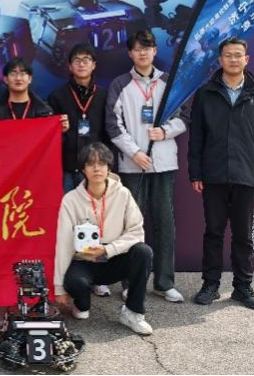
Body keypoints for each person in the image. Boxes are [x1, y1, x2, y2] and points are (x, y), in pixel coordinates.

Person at [189, 37, 254, 311]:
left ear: (246, 59)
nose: (233, 60)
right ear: (220, 60)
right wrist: (196, 172)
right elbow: (196, 138)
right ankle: (210, 284)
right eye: (228, 55)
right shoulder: (206, 94)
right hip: (213, 174)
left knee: (243, 235)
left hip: (247, 174)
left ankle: (243, 286)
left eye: (238, 55)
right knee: (213, 232)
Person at [106, 30, 186, 304]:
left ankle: (164, 282)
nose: (143, 53)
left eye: (147, 48)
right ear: (130, 53)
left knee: (164, 223)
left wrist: (165, 131)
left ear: (155, 51)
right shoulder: (120, 84)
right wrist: (135, 152)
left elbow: (185, 116)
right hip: (132, 167)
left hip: (163, 164)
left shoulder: (169, 82)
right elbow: (113, 125)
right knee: (131, 226)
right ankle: (131, 283)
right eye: (138, 49)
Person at [53, 142, 154, 336]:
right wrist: (59, 288)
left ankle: (133, 312)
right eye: (90, 164)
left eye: (101, 163)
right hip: (83, 259)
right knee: (76, 289)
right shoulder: (71, 200)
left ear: (109, 168)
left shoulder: (123, 194)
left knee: (143, 252)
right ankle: (81, 304)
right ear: (83, 170)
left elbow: (136, 232)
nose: (96, 168)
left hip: (113, 257)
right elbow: (64, 244)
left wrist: (108, 249)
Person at [48, 43, 113, 297]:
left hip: (96, 170)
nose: (82, 63)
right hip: (68, 168)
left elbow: (109, 132)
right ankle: (70, 276)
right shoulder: (57, 96)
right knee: (69, 224)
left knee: (97, 222)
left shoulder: (104, 95)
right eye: (77, 59)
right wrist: (59, 130)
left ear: (94, 65)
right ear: (69, 65)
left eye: (86, 59)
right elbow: (48, 137)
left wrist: (108, 167)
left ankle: (97, 276)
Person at [0, 57, 62, 123]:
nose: (18, 78)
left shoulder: (44, 111)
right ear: (6, 79)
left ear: (30, 79)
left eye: (22, 74)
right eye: (13, 74)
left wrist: (61, 128)